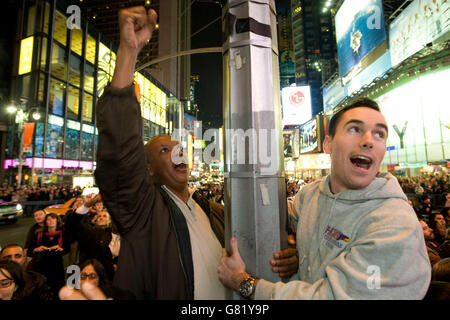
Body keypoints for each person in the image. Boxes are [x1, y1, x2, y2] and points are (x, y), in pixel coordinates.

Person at [63, 5, 297, 300]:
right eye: (164, 150)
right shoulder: (142, 211)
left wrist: (289, 255)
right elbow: (120, 147)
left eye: (181, 149)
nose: (179, 155)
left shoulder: (211, 210)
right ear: (147, 168)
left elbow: (262, 238)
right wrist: (128, 51)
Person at [218, 98, 431, 299]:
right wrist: (296, 250)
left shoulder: (394, 225)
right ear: (328, 143)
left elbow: (329, 295)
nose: (368, 141)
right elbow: (276, 217)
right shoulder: (310, 195)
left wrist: (244, 283)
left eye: (379, 134)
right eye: (355, 129)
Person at [27, 213, 66, 297]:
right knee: (41, 291)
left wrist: (61, 249)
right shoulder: (39, 234)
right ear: (45, 222)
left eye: (53, 218)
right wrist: (36, 249)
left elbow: (68, 249)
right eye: (48, 219)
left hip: (57, 268)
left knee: (58, 291)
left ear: (57, 220)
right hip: (41, 267)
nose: (51, 221)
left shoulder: (63, 233)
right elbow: (29, 251)